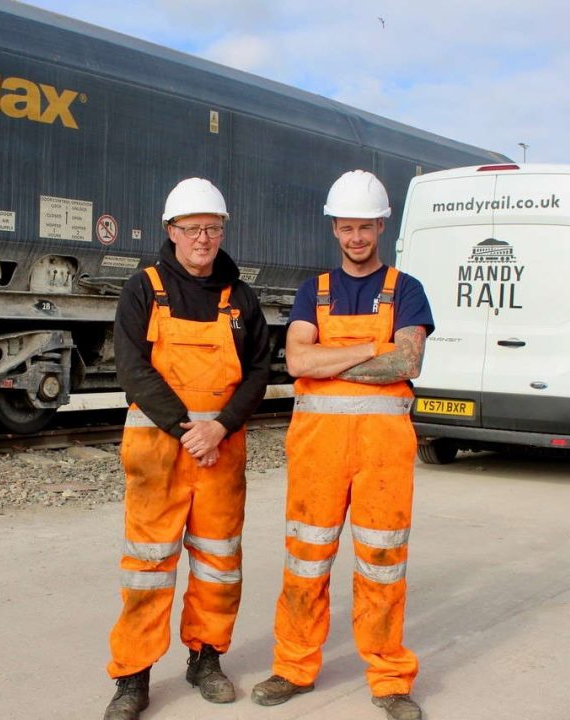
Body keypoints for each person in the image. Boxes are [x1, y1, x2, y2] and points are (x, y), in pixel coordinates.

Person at [250, 170, 433, 720]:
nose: (356, 237)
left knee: (382, 561)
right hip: (318, 451)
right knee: (306, 558)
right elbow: (297, 362)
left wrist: (335, 353)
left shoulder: (407, 289)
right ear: (335, 228)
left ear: (382, 226)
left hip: (382, 453)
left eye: (365, 227)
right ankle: (294, 666)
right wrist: (370, 346)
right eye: (346, 227)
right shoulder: (315, 290)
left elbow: (408, 361)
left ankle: (389, 677)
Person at [103, 178, 271, 720]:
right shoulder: (142, 288)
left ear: (223, 231)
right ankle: (133, 677)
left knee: (219, 563)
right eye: (192, 228)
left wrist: (219, 427)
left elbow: (260, 371)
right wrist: (185, 428)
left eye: (212, 228)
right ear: (170, 231)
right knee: (148, 568)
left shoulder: (240, 298)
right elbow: (132, 369)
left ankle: (206, 658)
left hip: (220, 453)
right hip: (159, 452)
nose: (203, 238)